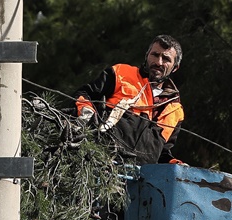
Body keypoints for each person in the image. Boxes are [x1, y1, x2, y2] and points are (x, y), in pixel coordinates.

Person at [74, 35, 185, 165]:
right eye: (155, 55)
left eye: (166, 59)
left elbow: (162, 153)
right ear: (147, 55)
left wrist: (174, 164)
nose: (158, 62)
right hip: (99, 162)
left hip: (139, 180)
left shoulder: (175, 110)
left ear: (175, 67)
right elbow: (84, 94)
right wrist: (86, 114)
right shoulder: (121, 73)